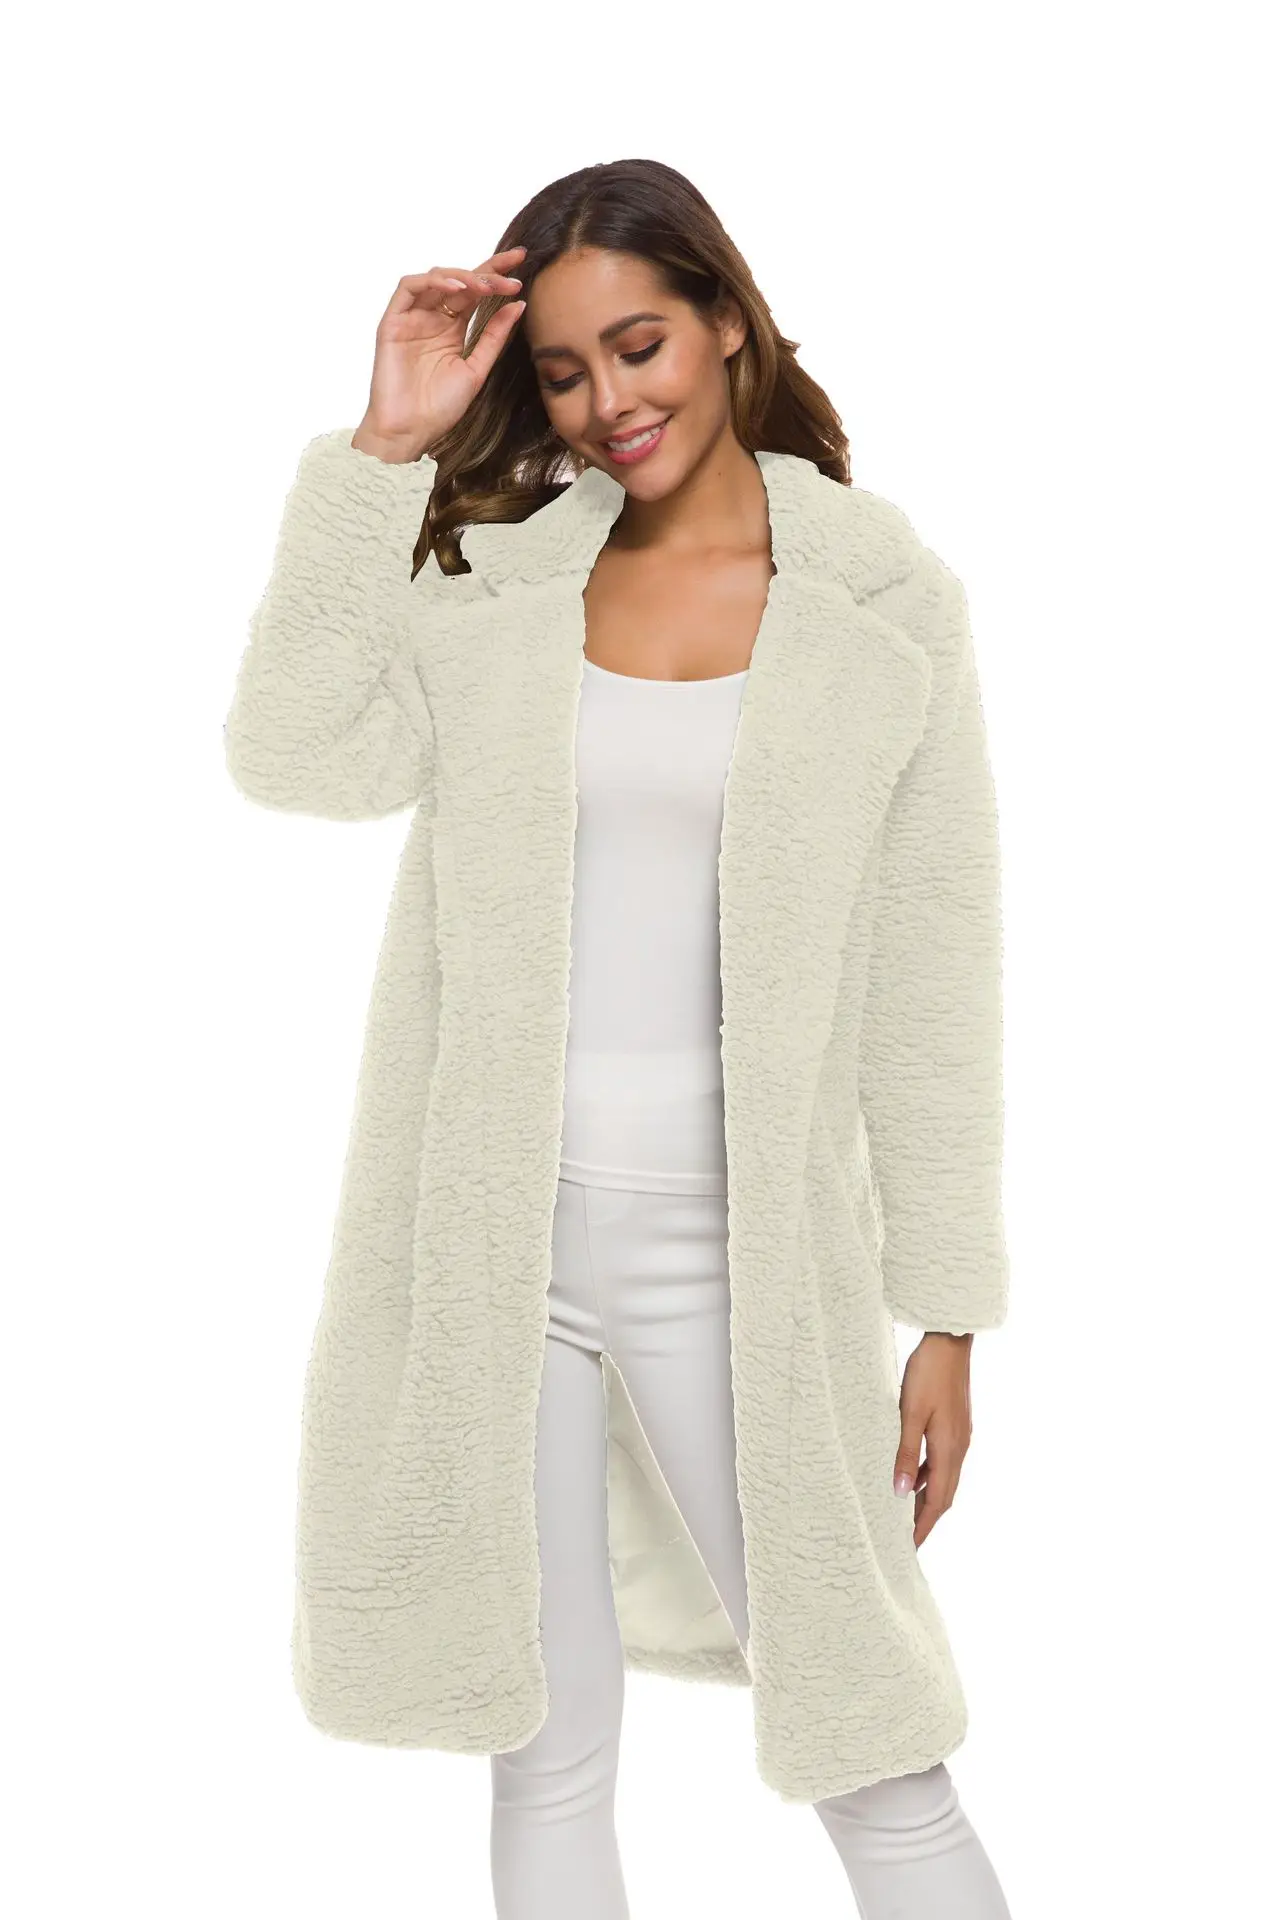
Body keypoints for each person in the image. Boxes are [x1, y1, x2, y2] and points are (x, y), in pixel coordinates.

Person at [225, 158, 1013, 1919]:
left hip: (737, 1253)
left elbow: (934, 973)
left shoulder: (884, 609)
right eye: (565, 371)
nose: (607, 403)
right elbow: (293, 754)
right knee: (546, 1745)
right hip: (493, 1239)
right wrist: (382, 454)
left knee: (872, 1740)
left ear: (727, 319)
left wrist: (948, 1311)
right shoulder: (501, 592)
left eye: (639, 345)